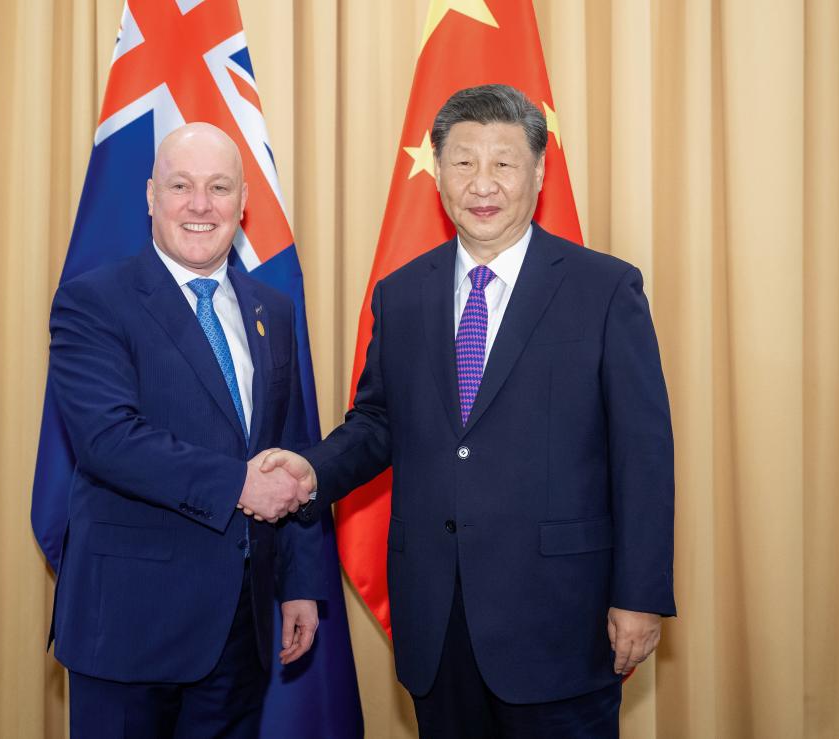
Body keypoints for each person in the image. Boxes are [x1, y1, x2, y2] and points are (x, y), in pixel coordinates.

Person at [261, 84, 676, 738]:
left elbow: (643, 455)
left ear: (538, 173)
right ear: (438, 173)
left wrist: (640, 594)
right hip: (438, 618)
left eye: (504, 163)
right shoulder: (402, 295)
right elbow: (377, 423)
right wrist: (309, 472)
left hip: (562, 620)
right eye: (462, 162)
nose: (482, 182)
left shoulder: (604, 288)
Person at [46, 122, 323, 739]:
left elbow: (293, 448)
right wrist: (236, 486)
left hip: (239, 625)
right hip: (127, 626)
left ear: (244, 202)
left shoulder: (271, 312)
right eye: (181, 186)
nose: (201, 205)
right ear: (150, 196)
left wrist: (300, 582)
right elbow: (109, 440)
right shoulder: (93, 302)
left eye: (219, 187)